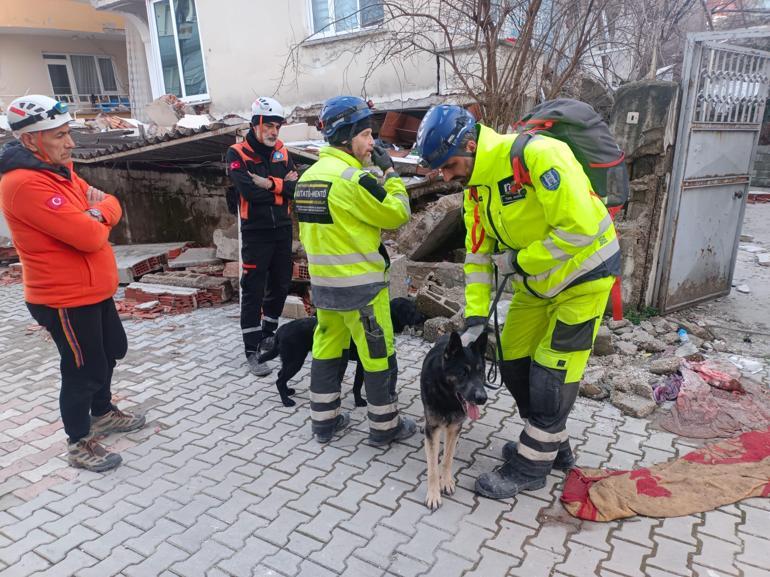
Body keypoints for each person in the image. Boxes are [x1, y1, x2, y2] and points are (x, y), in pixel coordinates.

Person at [415, 104, 620, 499]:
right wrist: (475, 315)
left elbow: (579, 228)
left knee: (550, 375)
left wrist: (520, 260)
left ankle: (530, 467)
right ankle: (549, 442)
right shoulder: (477, 190)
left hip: (584, 279)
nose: (446, 176)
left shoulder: (539, 156)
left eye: (450, 165)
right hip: (538, 284)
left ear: (471, 145)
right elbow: (477, 258)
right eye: (440, 169)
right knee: (513, 363)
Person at [0, 95, 145, 472]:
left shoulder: (60, 171)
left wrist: (95, 212)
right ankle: (78, 442)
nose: (71, 143)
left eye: (69, 133)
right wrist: (96, 215)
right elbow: (90, 237)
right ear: (31, 140)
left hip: (94, 290)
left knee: (112, 350)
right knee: (83, 370)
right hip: (64, 297)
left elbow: (109, 202)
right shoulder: (23, 184)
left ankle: (103, 413)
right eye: (60, 135)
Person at [295, 96, 417, 445]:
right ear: (346, 136)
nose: (372, 142)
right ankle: (384, 427)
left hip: (324, 289)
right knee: (377, 354)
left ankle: (325, 423)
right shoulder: (354, 180)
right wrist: (391, 173)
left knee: (327, 349)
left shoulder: (308, 177)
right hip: (363, 292)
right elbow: (397, 214)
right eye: (365, 134)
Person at [226, 97, 297, 376]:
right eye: (268, 125)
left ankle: (269, 332)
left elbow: (295, 187)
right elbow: (249, 193)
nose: (273, 132)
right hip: (255, 232)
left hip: (282, 230)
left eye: (277, 126)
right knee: (253, 289)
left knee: (280, 284)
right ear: (255, 124)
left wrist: (270, 185)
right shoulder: (237, 154)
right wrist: (282, 188)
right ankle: (251, 349)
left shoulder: (282, 151)